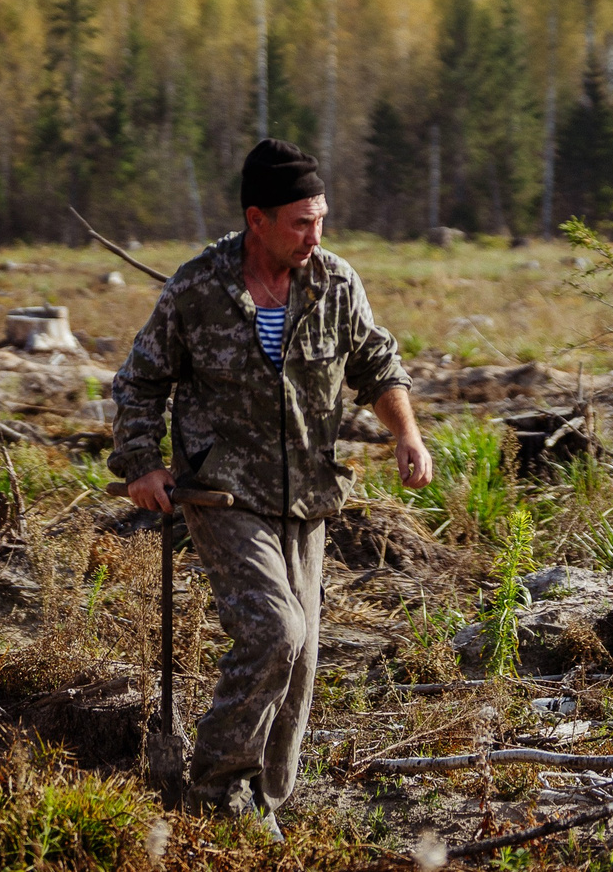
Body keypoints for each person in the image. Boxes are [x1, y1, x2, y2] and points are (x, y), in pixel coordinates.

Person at [110, 139, 434, 836]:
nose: (315, 236)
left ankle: (267, 795)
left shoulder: (335, 283)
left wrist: (407, 432)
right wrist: (141, 462)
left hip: (307, 496)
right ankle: (218, 788)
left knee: (305, 654)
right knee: (273, 631)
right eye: (300, 222)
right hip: (223, 493)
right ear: (256, 218)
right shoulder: (199, 287)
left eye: (321, 219)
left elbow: (377, 363)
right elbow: (140, 378)